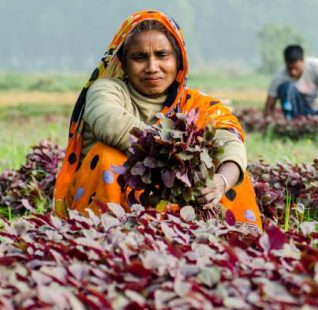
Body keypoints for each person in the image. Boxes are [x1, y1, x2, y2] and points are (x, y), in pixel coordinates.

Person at [53, 11, 262, 231]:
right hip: (115, 204)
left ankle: (237, 241)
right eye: (140, 57)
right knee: (107, 156)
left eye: (162, 55)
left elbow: (230, 141)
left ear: (178, 60)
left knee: (230, 172)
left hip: (179, 209)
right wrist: (178, 158)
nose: (152, 67)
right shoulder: (107, 90)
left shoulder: (196, 104)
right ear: (123, 63)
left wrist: (221, 182)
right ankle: (102, 235)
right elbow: (109, 121)